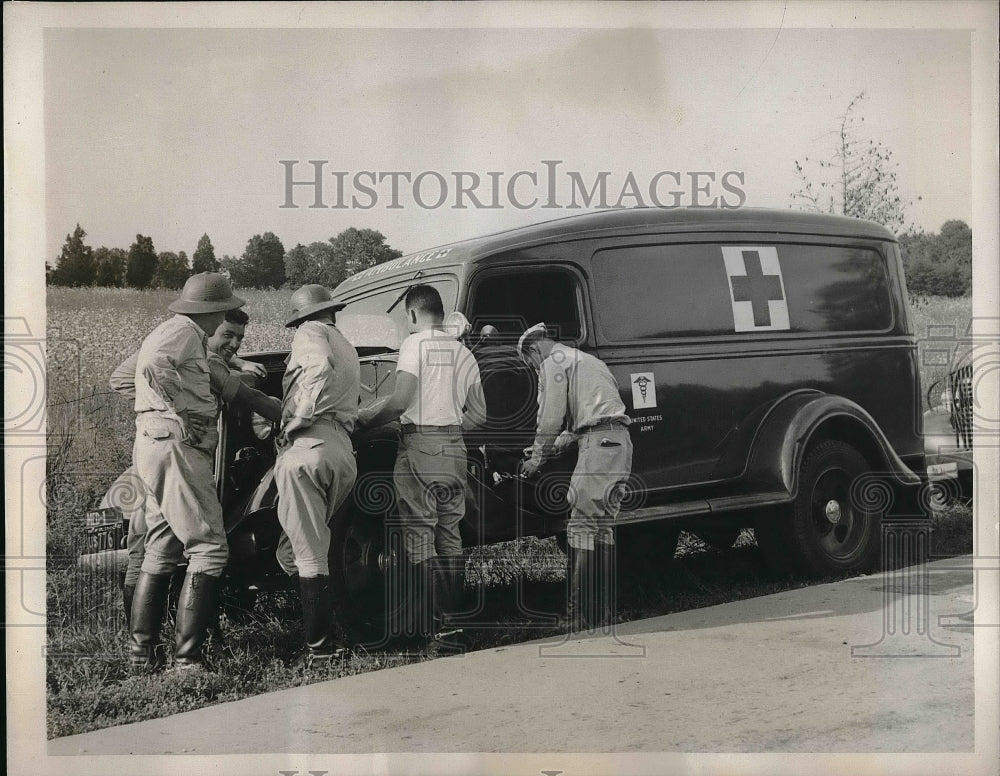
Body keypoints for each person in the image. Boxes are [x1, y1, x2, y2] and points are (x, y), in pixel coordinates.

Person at [109, 307, 281, 627]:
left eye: (239, 338)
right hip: (181, 455)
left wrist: (156, 408)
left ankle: (144, 649)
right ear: (208, 329)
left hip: (150, 449)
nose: (233, 343)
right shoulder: (200, 356)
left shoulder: (175, 344)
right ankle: (188, 650)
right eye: (226, 333)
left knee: (149, 549)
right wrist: (177, 408)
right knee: (204, 548)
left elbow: (122, 377)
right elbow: (248, 394)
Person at [356, 284, 487, 655]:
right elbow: (480, 415)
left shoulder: (415, 345)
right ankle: (454, 627)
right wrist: (449, 427)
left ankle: (432, 632)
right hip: (454, 449)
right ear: (440, 313)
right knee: (450, 534)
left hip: (419, 445)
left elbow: (399, 403)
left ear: (412, 315)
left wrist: (364, 420)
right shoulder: (464, 353)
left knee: (419, 536)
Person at [126, 272, 247, 672]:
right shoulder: (182, 331)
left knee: (162, 546)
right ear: (212, 310)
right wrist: (180, 409)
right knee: (209, 546)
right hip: (177, 446)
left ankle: (141, 655)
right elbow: (154, 367)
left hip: (156, 444)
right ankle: (187, 661)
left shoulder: (182, 332)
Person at [516, 322, 633, 632]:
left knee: (580, 527)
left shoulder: (552, 362)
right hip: (619, 443)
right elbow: (579, 424)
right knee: (602, 528)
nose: (532, 369)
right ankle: (605, 614)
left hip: (598, 446)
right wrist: (548, 446)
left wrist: (536, 458)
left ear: (533, 349)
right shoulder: (586, 361)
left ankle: (575, 615)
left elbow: (550, 417)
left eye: (529, 363)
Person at [274, 284, 361, 667]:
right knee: (300, 549)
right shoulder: (347, 343)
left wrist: (299, 417)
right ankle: (337, 632)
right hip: (340, 449)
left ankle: (321, 651)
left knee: (308, 554)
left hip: (309, 447)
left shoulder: (311, 333)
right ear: (332, 311)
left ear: (303, 317)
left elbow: (319, 366)